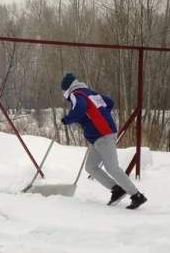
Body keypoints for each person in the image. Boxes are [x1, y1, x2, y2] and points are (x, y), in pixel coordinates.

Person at [60, 72, 147, 209]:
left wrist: (68, 119)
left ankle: (136, 195)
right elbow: (109, 102)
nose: (63, 92)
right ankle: (116, 189)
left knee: (112, 168)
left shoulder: (76, 94)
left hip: (103, 134)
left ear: (67, 88)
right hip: (98, 136)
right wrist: (100, 115)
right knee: (91, 167)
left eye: (63, 90)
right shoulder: (90, 93)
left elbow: (80, 108)